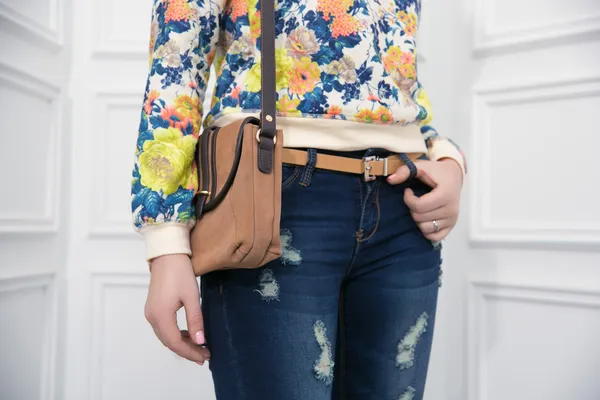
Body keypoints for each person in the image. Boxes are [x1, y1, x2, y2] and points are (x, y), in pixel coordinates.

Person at [132, 0, 465, 398]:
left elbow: (392, 77)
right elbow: (175, 67)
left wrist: (447, 157)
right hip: (275, 202)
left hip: (403, 210)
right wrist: (166, 240)